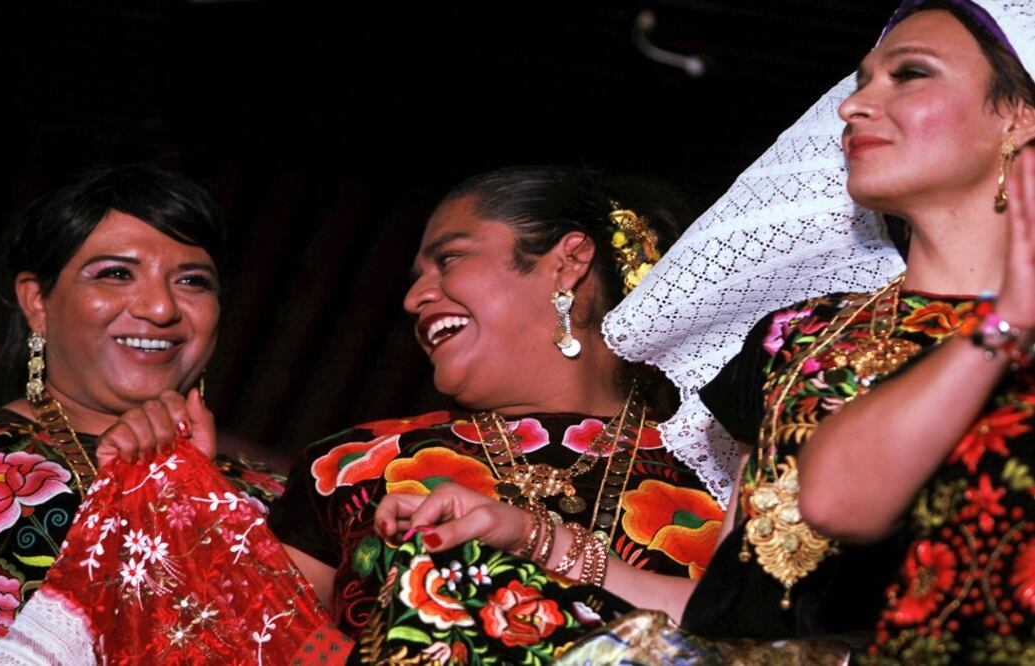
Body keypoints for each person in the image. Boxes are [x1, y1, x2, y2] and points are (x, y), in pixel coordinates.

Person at [603, 0, 1035, 660]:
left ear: (1019, 116)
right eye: (861, 81)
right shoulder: (795, 338)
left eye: (909, 73)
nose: (853, 106)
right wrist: (538, 543)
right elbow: (734, 611)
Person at [269, 166, 729, 663]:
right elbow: (267, 643)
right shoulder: (351, 465)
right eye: (417, 277)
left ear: (569, 261)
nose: (413, 298)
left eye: (449, 258)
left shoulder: (724, 474)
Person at [0, 164, 287, 661]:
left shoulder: (282, 502)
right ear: (37, 300)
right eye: (116, 274)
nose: (161, 308)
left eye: (193, 281)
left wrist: (196, 502)